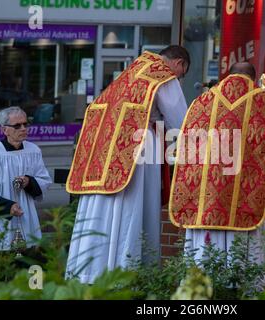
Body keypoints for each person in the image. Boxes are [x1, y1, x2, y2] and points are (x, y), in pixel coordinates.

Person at [65, 45, 190, 284]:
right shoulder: (163, 75)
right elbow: (179, 122)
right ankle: (128, 271)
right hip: (140, 146)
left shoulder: (130, 71)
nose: (179, 79)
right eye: (182, 76)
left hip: (106, 147)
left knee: (105, 204)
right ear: (179, 64)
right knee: (134, 205)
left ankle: (91, 270)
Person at [169, 62, 265, 269]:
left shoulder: (201, 102)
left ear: (227, 75)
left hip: (207, 199)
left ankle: (202, 284)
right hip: (245, 191)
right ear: (253, 77)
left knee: (204, 259)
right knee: (247, 256)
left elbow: (185, 145)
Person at [0, 106, 52, 250]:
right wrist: (8, 206)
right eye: (17, 126)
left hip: (25, 212)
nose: (23, 128)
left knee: (26, 257)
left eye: (26, 124)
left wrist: (29, 181)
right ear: (4, 129)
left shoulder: (33, 151)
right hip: (0, 216)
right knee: (2, 254)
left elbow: (44, 179)